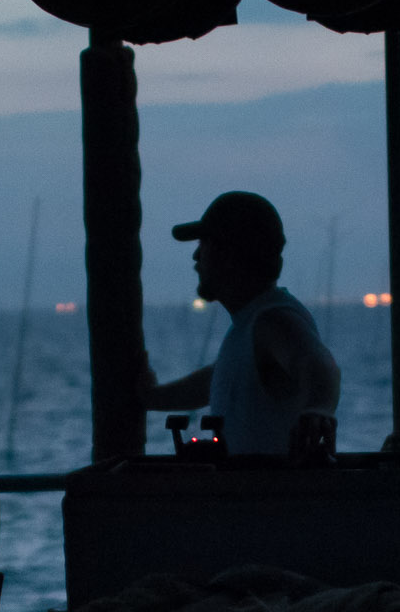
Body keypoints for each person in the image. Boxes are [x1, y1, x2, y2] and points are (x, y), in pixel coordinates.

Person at [138, 190, 341, 456]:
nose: (196, 257)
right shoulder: (252, 325)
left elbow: (320, 365)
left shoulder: (274, 320)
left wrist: (318, 411)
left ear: (231, 255)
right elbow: (217, 380)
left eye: (205, 245)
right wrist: (150, 398)